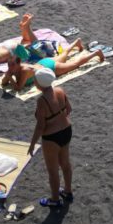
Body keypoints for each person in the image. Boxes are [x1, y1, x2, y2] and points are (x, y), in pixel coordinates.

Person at [28, 68, 74, 208]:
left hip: (51, 137)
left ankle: (54, 200)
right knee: (65, 163)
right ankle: (67, 191)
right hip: (66, 130)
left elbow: (40, 126)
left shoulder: (42, 101)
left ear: (39, 84)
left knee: (53, 171)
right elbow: (69, 109)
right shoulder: (60, 90)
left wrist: (32, 144)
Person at [1, 42, 105, 92]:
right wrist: (7, 76)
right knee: (63, 55)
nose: (10, 67)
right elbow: (4, 83)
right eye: (9, 65)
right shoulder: (13, 68)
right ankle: (77, 42)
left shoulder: (24, 70)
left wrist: (9, 77)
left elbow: (19, 88)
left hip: (50, 68)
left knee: (75, 64)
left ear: (19, 63)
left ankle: (95, 53)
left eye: (12, 65)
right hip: (44, 62)